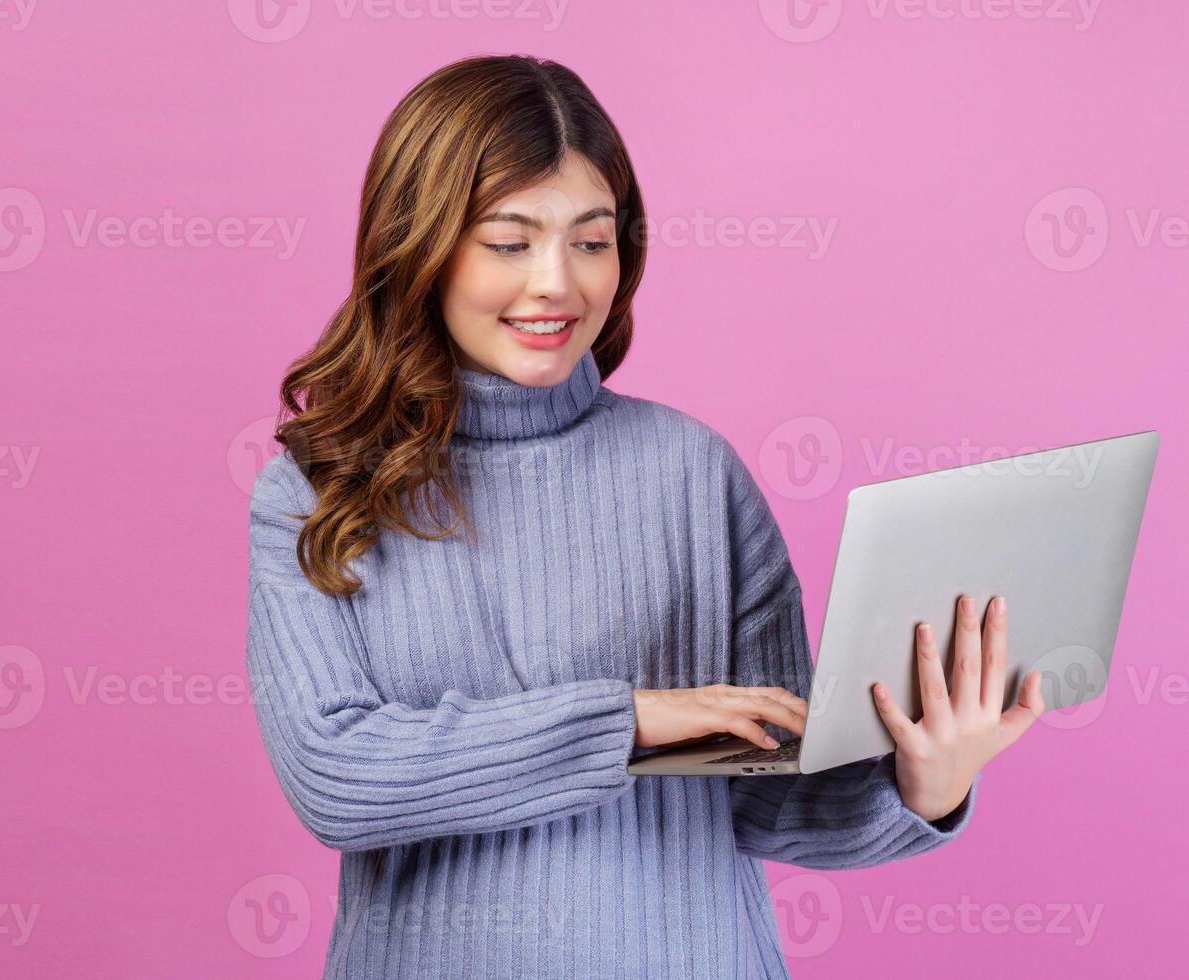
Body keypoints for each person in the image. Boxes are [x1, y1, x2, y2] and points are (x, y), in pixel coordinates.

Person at [245, 53, 1045, 979]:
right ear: (417, 247)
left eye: (591, 240)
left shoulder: (692, 472)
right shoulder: (318, 492)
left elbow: (765, 796)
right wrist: (625, 722)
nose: (557, 284)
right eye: (510, 242)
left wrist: (925, 783)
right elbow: (336, 777)